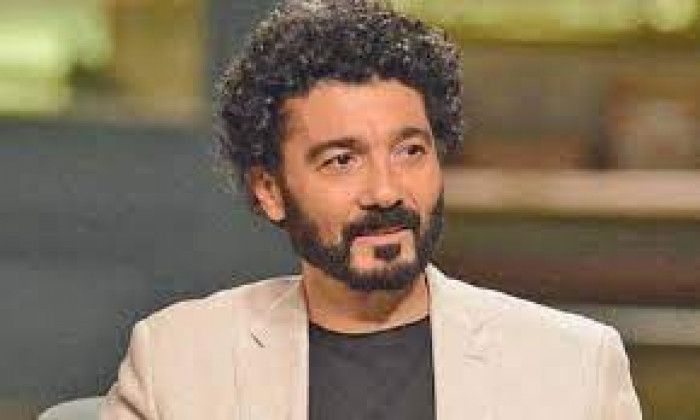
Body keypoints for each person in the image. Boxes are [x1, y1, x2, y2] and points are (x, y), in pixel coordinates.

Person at [101, 1, 642, 419]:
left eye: (410, 151)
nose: (386, 191)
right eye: (341, 160)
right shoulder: (177, 361)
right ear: (269, 190)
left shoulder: (574, 369)